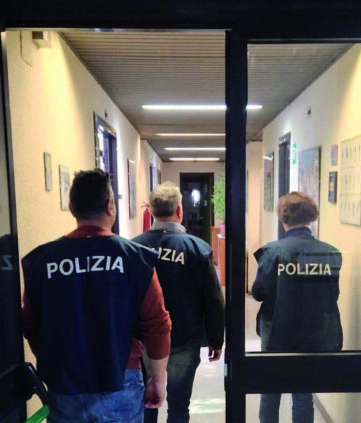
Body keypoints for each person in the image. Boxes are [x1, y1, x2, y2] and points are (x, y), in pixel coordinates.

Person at [22, 169, 171, 423]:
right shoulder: (136, 259)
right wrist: (158, 378)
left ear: (72, 209)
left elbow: (31, 325)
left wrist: (56, 363)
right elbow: (156, 324)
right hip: (120, 378)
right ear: (110, 205)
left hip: (64, 383)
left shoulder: (40, 261)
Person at [133, 181, 225, 423]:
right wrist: (215, 339)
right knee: (179, 406)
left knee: (145, 404)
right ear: (179, 210)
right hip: (184, 338)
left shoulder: (133, 248)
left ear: (151, 211)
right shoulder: (198, 248)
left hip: (144, 340)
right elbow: (213, 299)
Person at [252, 192, 343, 423]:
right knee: (303, 392)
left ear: (283, 218)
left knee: (270, 389)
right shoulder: (330, 253)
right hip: (312, 330)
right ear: (311, 216)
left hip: (276, 329)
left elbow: (258, 293)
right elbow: (333, 295)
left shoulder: (271, 252)